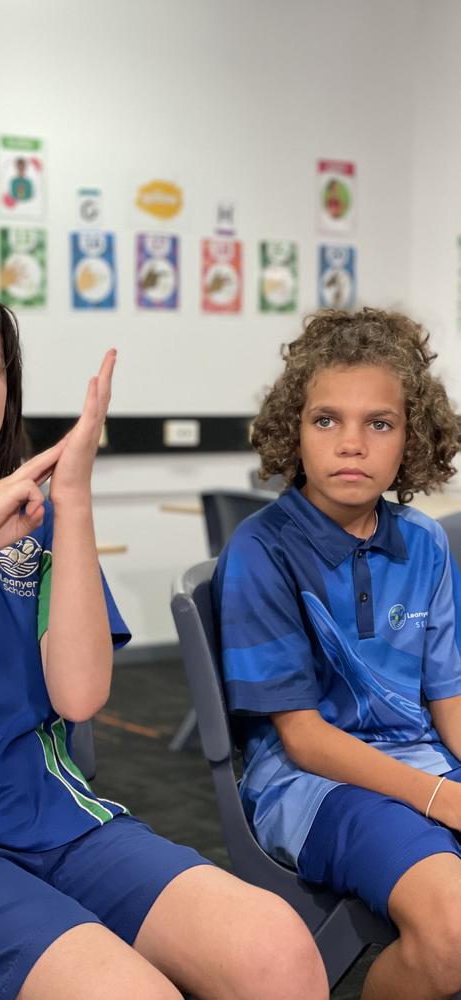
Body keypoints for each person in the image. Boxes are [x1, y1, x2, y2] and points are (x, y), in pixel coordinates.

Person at [0, 277, 326, 1000]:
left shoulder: (43, 521)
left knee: (280, 952)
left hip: (68, 821)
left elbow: (80, 695)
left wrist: (74, 501)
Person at [212, 307, 461, 999]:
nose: (352, 443)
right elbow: (306, 740)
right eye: (327, 420)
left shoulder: (426, 542)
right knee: (454, 935)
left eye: (378, 423)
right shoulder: (262, 551)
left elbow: (449, 700)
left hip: (420, 765)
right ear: (294, 430)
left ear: (411, 438)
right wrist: (443, 797)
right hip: (312, 788)